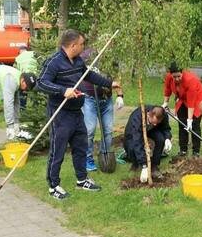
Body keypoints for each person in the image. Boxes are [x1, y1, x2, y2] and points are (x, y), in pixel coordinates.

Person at [37, 29, 120, 200]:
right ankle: (54, 186)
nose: (84, 46)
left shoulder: (77, 61)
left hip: (76, 112)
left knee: (80, 147)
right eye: (82, 44)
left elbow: (88, 75)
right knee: (57, 150)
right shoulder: (54, 62)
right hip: (60, 114)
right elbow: (41, 83)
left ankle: (82, 180)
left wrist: (110, 84)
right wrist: (62, 90)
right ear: (73, 45)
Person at [79, 48, 124, 172]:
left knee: (108, 131)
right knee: (90, 130)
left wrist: (120, 95)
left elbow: (117, 78)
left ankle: (105, 156)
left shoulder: (112, 60)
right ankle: (87, 159)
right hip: (89, 99)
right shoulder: (87, 56)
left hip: (106, 100)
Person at [162, 62, 202, 157]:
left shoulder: (190, 80)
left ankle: (196, 151)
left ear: (182, 72)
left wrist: (190, 120)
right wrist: (165, 103)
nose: (177, 79)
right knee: (182, 124)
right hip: (182, 99)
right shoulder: (169, 77)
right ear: (171, 75)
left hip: (197, 99)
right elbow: (167, 89)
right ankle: (183, 150)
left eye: (179, 76)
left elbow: (191, 102)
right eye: (174, 77)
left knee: (194, 126)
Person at [123, 105, 173, 183]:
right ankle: (136, 163)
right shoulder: (137, 118)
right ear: (149, 114)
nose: (156, 124)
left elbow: (165, 128)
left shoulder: (163, 115)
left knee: (160, 139)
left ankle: (154, 166)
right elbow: (137, 141)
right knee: (132, 146)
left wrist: (167, 138)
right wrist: (144, 165)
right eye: (153, 122)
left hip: (151, 130)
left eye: (157, 123)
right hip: (134, 132)